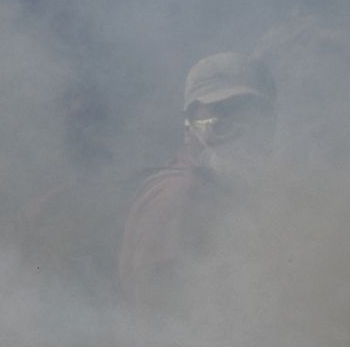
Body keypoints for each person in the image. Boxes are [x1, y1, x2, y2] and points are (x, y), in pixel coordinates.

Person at [116, 51, 274, 305]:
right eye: (220, 123)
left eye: (252, 119)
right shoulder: (182, 197)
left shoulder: (234, 193)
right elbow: (165, 315)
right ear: (188, 129)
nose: (240, 136)